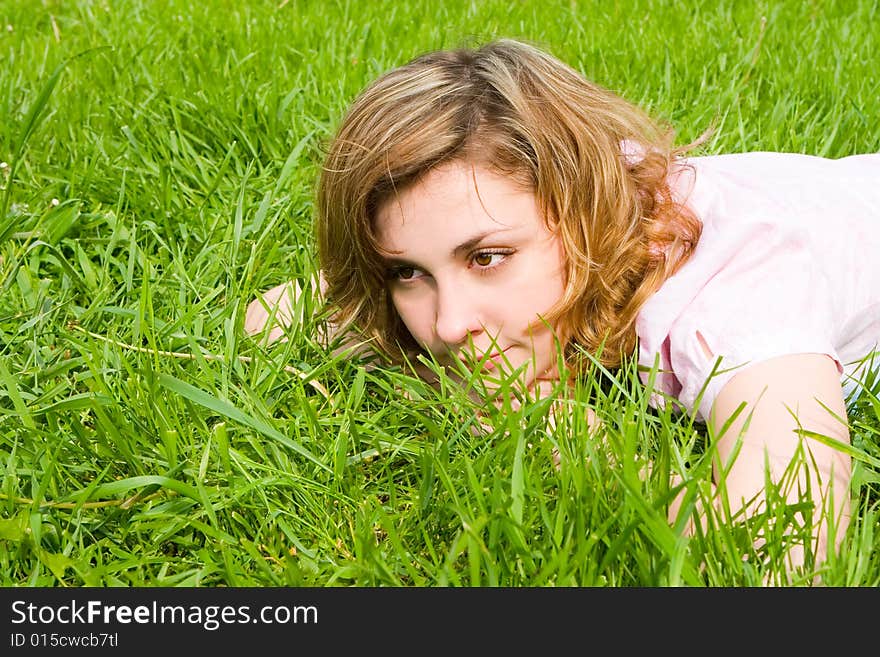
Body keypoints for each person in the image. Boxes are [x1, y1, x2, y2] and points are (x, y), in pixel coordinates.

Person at [244, 39, 879, 572]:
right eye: (408, 271)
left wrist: (588, 447)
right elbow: (266, 317)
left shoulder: (743, 287)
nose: (448, 324)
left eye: (486, 258)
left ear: (586, 217)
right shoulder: (556, 186)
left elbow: (787, 552)